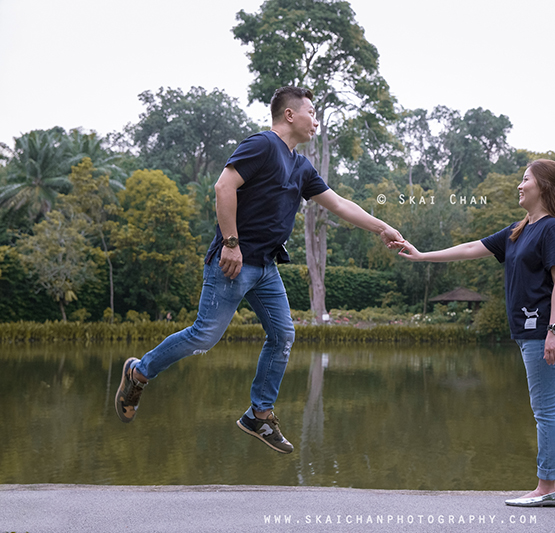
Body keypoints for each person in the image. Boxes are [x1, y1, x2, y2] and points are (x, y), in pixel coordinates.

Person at [115, 86, 403, 455]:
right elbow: (224, 186)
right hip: (232, 263)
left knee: (283, 335)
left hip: (266, 267)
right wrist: (231, 243)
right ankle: (139, 372)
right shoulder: (263, 145)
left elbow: (339, 204)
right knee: (205, 336)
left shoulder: (302, 167)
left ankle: (259, 414)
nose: (316, 121)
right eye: (312, 113)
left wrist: (382, 227)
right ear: (289, 115)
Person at [397, 159, 555, 506]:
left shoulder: (553, 229)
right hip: (531, 333)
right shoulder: (519, 230)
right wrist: (424, 256)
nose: (519, 185)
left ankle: (546, 487)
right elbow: (471, 248)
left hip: (542, 332)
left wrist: (553, 331)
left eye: (525, 179)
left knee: (545, 411)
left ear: (543, 187)